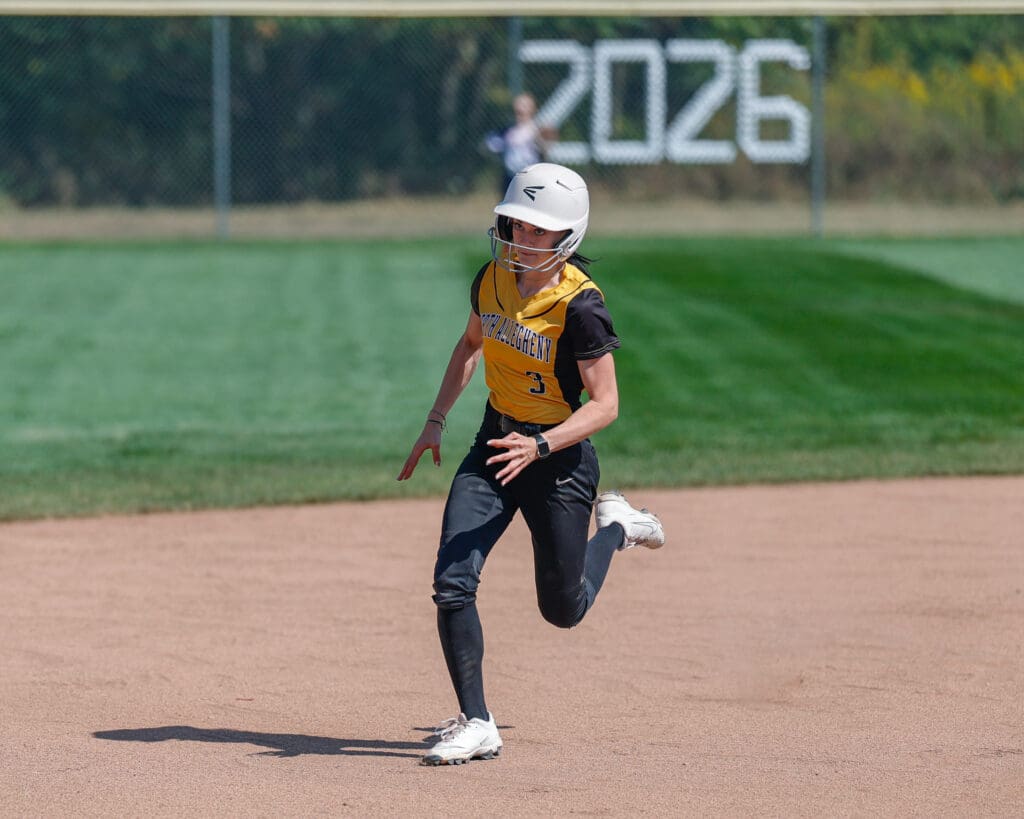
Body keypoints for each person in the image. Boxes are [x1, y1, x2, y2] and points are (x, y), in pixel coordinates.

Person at [397, 162, 666, 767]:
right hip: (496, 446)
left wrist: (542, 446)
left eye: (537, 230)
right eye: (515, 223)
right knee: (451, 582)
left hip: (559, 462)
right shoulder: (492, 278)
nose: (520, 236)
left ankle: (619, 526)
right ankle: (477, 722)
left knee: (563, 608)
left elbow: (606, 405)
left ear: (567, 237)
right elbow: (471, 345)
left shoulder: (581, 307)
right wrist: (436, 419)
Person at [484, 93, 556, 193]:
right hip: (510, 177)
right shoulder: (507, 131)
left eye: (524, 105)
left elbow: (546, 149)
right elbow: (491, 145)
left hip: (531, 178)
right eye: (518, 104)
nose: (519, 108)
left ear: (533, 109)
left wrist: (538, 138)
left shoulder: (537, 130)